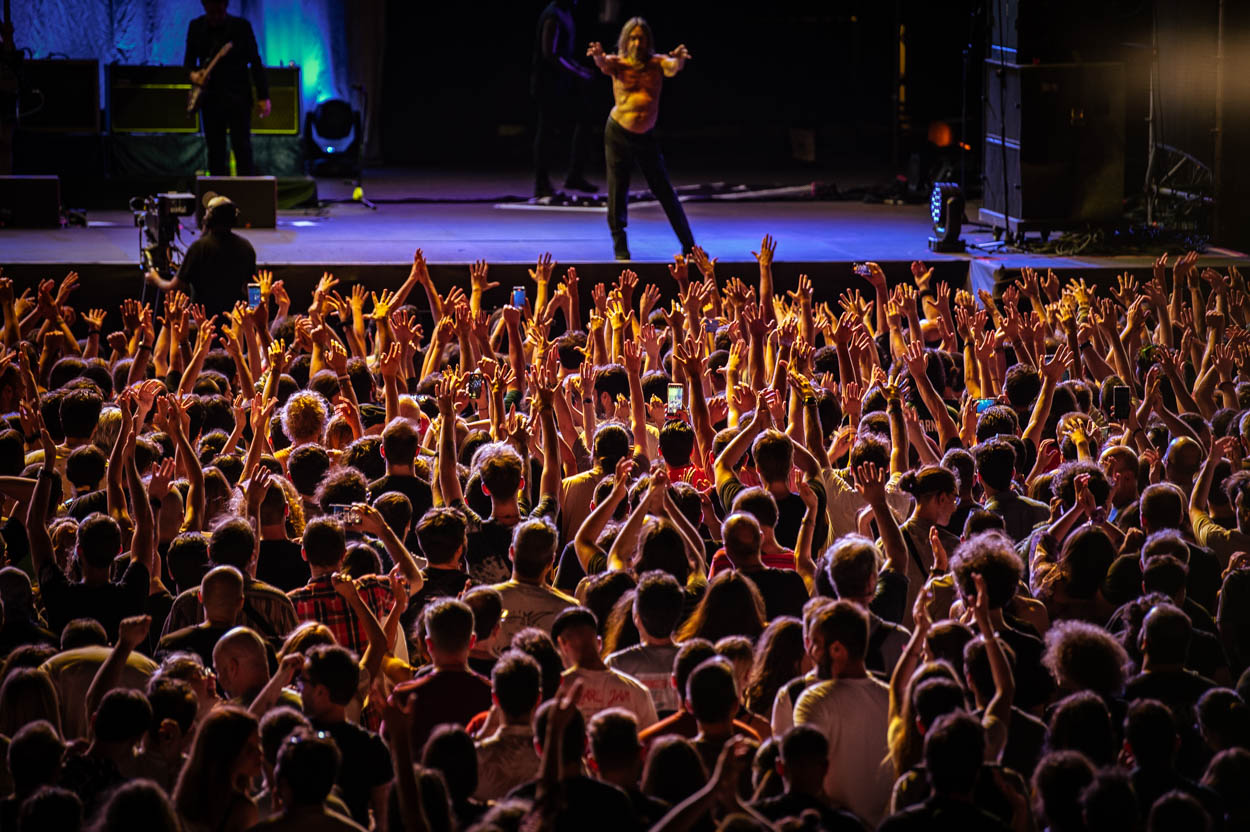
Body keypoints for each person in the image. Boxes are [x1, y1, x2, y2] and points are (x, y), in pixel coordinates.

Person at [587, 18, 695, 259]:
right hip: (618, 133)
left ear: (647, 41)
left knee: (665, 191)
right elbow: (603, 64)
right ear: (626, 41)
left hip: (645, 136)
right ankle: (621, 248)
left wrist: (678, 60)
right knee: (618, 191)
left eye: (641, 38)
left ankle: (689, 246)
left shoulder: (656, 64)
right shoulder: (618, 64)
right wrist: (598, 56)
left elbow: (672, 67)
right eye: (633, 38)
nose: (637, 43)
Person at [792, 599, 893, 826]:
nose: (811, 651)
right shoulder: (893, 698)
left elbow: (805, 777)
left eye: (816, 643)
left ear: (837, 650)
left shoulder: (814, 701)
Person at [183, 0, 270, 177]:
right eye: (211, 11)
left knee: (242, 148)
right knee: (215, 151)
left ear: (226, 6)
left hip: (238, 97)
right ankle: (218, 200)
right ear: (204, 6)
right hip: (211, 98)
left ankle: (246, 196)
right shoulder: (196, 27)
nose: (215, 16)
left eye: (219, 11)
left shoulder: (241, 27)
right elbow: (188, 64)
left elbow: (255, 62)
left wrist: (263, 96)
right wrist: (194, 75)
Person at [145, 196, 257, 319]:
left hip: (202, 323)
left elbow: (173, 288)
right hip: (235, 321)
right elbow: (253, 288)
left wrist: (154, 278)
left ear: (208, 220)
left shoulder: (199, 248)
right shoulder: (246, 247)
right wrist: (255, 313)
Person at [553, 606, 658, 730]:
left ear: (562, 643)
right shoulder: (637, 691)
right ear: (599, 643)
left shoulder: (557, 689)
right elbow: (652, 739)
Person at [531, 0, 596, 198]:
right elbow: (550, 53)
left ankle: (574, 174)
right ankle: (541, 183)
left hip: (561, 83)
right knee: (547, 131)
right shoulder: (554, 15)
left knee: (584, 119)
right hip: (547, 84)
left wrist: (578, 69)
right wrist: (577, 72)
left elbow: (562, 52)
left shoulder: (565, 13)